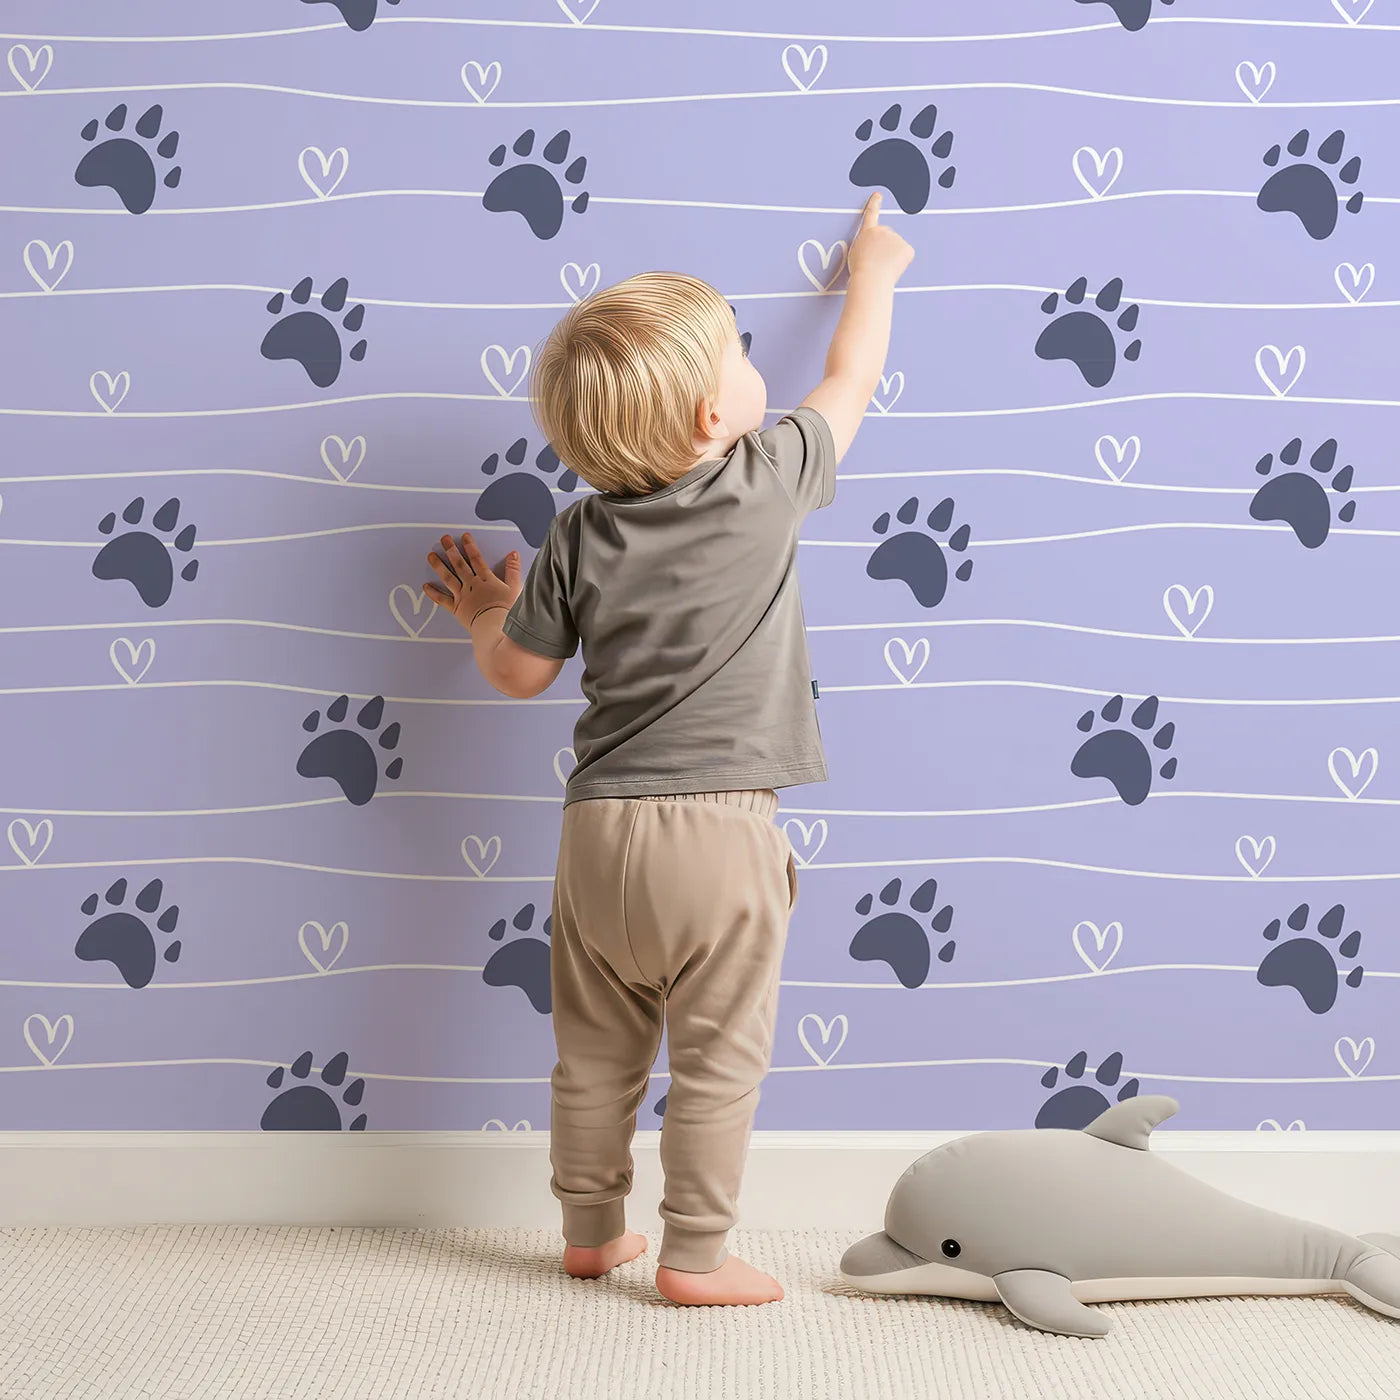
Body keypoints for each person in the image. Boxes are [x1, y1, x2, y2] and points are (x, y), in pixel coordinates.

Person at [423, 192, 914, 1306]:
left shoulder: (577, 531)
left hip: (597, 835)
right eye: (741, 352)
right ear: (710, 417)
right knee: (716, 1059)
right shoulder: (765, 479)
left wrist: (483, 612)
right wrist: (875, 274)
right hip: (721, 834)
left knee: (594, 1054)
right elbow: (850, 379)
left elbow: (519, 673)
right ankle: (695, 1253)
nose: (755, 364)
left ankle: (591, 1231)